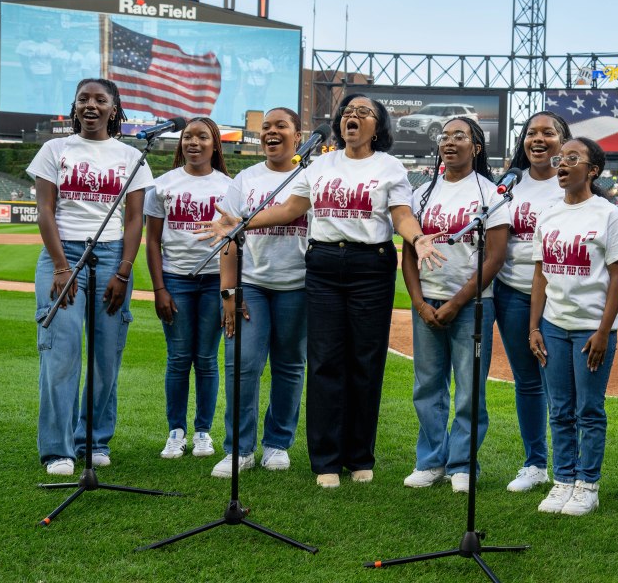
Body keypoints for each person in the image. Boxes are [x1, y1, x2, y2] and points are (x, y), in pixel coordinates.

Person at [202, 95, 444, 488]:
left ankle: (359, 455)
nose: (353, 117)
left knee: (366, 363)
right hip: (325, 266)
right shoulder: (318, 164)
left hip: (371, 267)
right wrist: (242, 223)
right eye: (348, 113)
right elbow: (290, 209)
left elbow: (401, 214)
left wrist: (417, 239)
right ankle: (326, 461)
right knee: (324, 362)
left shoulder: (389, 166)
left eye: (363, 113)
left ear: (378, 126)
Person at [30, 78, 154, 475]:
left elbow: (135, 219)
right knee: (61, 353)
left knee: (106, 358)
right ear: (75, 106)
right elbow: (46, 211)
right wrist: (62, 266)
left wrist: (124, 269)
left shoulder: (131, 155)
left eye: (101, 100)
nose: (91, 105)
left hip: (112, 258)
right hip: (63, 254)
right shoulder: (55, 149)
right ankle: (58, 449)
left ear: (114, 109)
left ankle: (95, 439)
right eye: (84, 98)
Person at [402, 117, 510, 493]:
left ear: (476, 148)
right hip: (428, 300)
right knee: (428, 386)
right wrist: (419, 303)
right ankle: (430, 460)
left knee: (469, 388)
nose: (449, 142)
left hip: (472, 304)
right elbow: (408, 254)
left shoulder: (490, 194)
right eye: (445, 136)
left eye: (459, 136)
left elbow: (495, 258)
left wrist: (456, 302)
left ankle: (462, 463)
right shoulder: (422, 193)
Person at [529, 138, 618, 516]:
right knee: (559, 409)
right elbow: (540, 274)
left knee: (588, 410)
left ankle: (587, 484)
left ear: (592, 171)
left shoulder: (606, 214)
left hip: (590, 329)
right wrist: (534, 328)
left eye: (572, 159)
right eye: (561, 158)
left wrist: (604, 331)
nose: (562, 164)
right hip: (554, 326)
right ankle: (563, 480)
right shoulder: (548, 214)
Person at [202, 107, 310, 478]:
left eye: (281, 126)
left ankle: (277, 443)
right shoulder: (245, 179)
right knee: (242, 366)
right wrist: (229, 293)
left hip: (298, 286)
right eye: (266, 127)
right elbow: (227, 239)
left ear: (298, 135)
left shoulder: (308, 177)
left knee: (289, 367)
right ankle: (239, 449)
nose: (271, 132)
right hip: (253, 288)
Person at [493, 111, 572, 493]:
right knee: (526, 381)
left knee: (559, 384)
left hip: (558, 297)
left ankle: (569, 467)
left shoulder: (569, 183)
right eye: (530, 133)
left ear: (563, 139)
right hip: (512, 292)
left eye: (548, 133)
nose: (537, 139)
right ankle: (535, 463)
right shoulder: (510, 183)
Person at [144, 117, 231, 460]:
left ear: (214, 144)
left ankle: (203, 431)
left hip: (214, 280)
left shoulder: (229, 186)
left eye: (202, 137)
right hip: (176, 279)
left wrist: (229, 293)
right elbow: (151, 242)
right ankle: (176, 432)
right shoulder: (163, 184)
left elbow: (233, 244)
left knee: (207, 359)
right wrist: (159, 289)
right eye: (188, 137)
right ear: (181, 144)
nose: (194, 142)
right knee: (179, 358)